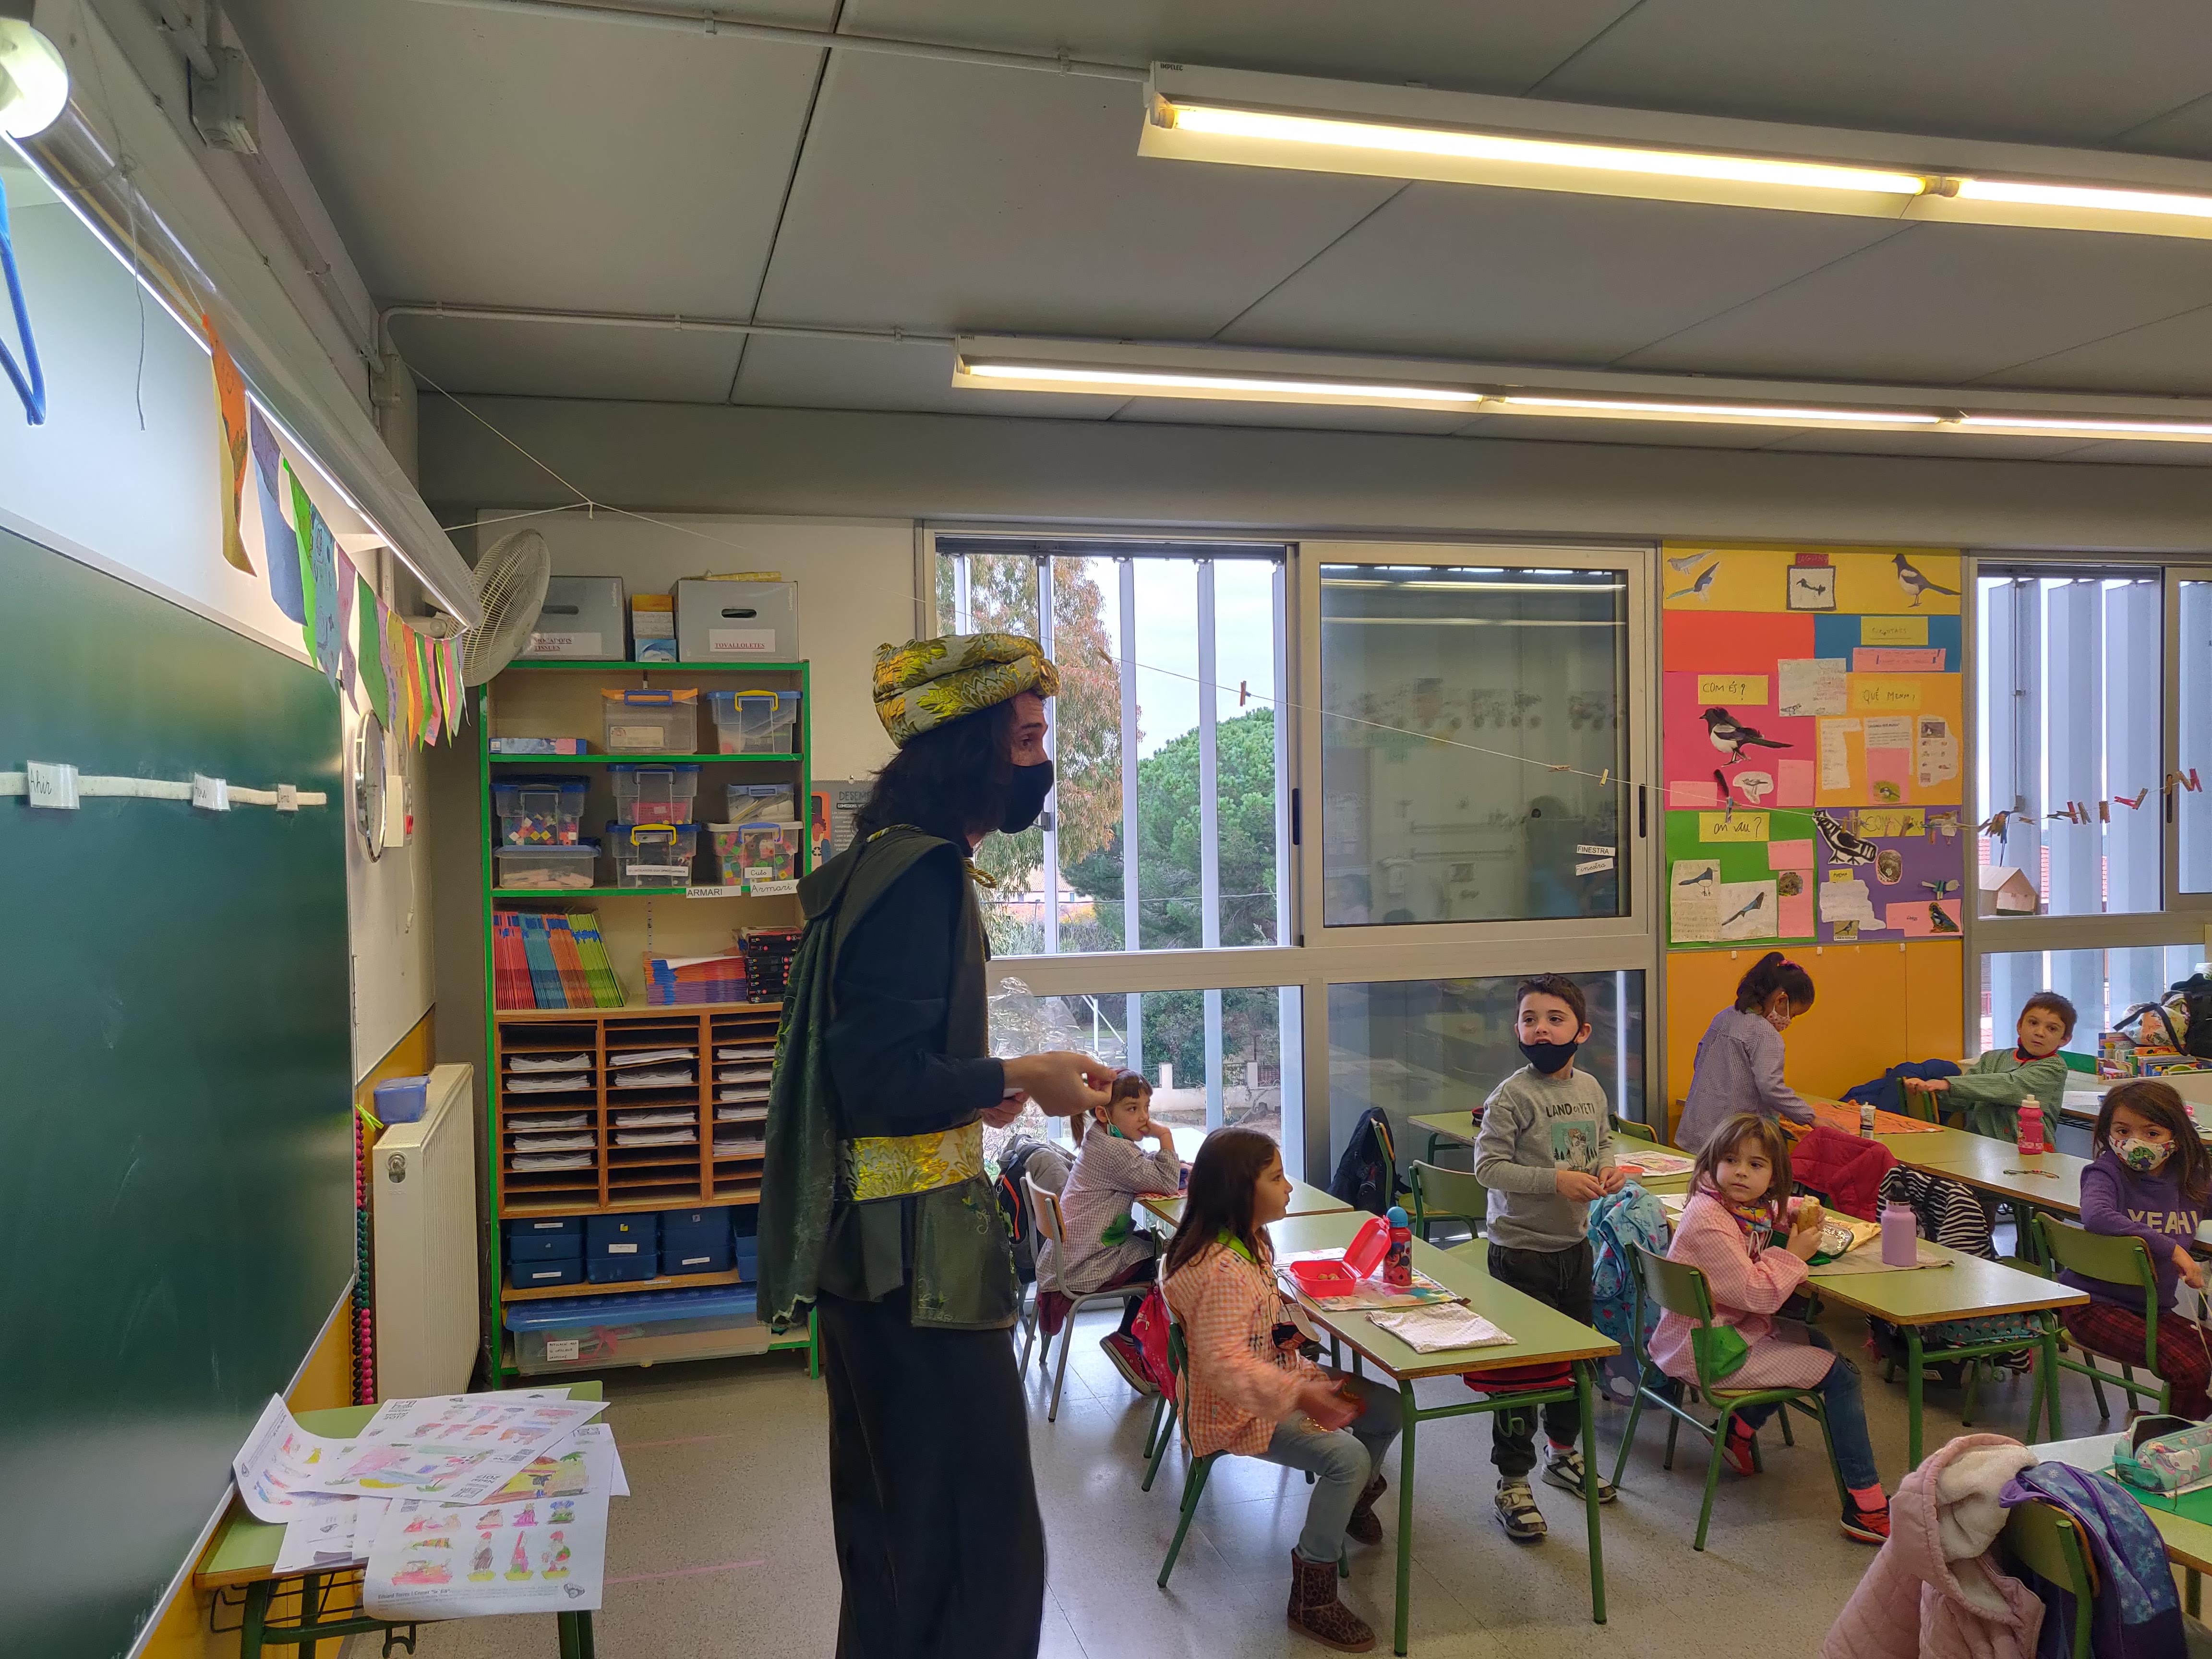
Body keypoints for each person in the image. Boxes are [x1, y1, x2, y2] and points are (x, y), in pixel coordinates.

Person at [758, 632, 1117, 1659]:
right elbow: (879, 1081)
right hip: (912, 1271)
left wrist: (984, 1090)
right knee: (975, 1549)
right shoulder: (922, 877)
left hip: (882, 1264)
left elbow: (891, 1068)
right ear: (970, 749)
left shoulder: (881, 861)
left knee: (900, 1541)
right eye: (1027, 738)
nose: (1041, 760)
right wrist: (1023, 1072)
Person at [1164, 1128, 1401, 1653]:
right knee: (1347, 1458)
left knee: (1387, 1408)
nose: (1289, 1186)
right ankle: (1312, 1598)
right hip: (1235, 1410)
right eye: (1276, 1178)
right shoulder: (1221, 1269)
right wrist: (1300, 1395)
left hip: (1280, 1375)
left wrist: (1293, 1332)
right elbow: (1225, 1366)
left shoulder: (1250, 1241)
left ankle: (1350, 1504)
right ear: (1240, 1191)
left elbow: (1259, 1321)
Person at [1652, 1112, 1890, 1543]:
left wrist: (1795, 1209)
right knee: (1842, 1376)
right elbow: (1758, 1295)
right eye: (1730, 1160)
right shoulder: (1710, 1221)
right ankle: (1866, 1506)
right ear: (1712, 1163)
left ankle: (1736, 1433)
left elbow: (1766, 1215)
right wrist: (1793, 1256)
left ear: (1774, 1177)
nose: (1741, 1172)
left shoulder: (1731, 1205)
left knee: (1818, 1341)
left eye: (1756, 1164)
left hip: (1706, 1335)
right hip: (1710, 1351)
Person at [1472, 974, 1624, 1541]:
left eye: (1554, 1019)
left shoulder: (1590, 1087)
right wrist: (1555, 1180)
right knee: (1522, 1377)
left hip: (1574, 1249)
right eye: (1529, 1019)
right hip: (1520, 1253)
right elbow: (1488, 1168)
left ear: (1581, 1031)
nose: (1540, 1029)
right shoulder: (1512, 1096)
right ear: (1517, 1029)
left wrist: (1607, 1168)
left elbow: (1602, 1140)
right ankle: (1512, 1482)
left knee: (1574, 1363)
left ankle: (1562, 1455)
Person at [2056, 1080, 2212, 1420]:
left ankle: (2164, 1430)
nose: (2135, 1143)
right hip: (2092, 1306)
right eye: (2122, 1131)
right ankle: (2165, 1441)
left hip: (2152, 1309)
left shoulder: (2189, 1179)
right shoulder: (2106, 1172)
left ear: (2176, 1136)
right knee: (2190, 1367)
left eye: (2152, 1133)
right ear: (2108, 1133)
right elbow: (2097, 1216)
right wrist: (2172, 1249)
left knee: (2202, 1359)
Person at [1042, 1070, 1183, 1393]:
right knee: (1167, 1263)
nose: (1144, 1117)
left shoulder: (1101, 1138)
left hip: (1070, 1256)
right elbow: (1166, 1182)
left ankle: (1134, 1339)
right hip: (1086, 1263)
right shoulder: (1115, 1151)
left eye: (1146, 1107)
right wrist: (1164, 1136)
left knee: (1155, 1248)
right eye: (1133, 1109)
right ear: (1104, 1114)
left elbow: (1140, 1166)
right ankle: (1127, 1341)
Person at [1675, 950, 1817, 1153]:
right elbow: (1771, 1088)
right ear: (1781, 1001)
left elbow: (1699, 1062)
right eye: (1793, 1015)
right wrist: (1811, 1118)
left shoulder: (1725, 1017)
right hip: (1731, 1140)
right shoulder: (1766, 1035)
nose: (1789, 1021)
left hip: (1697, 1130)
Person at [1904, 990, 2075, 1141]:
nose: (2039, 1033)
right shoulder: (1992, 1058)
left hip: (2028, 1152)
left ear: (2065, 1039)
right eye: (2033, 1023)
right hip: (1980, 1147)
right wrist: (1928, 1090)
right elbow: (1963, 1100)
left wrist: (1948, 1084)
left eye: (2052, 1029)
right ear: (2019, 1026)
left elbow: (2009, 1085)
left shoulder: (2054, 1068)